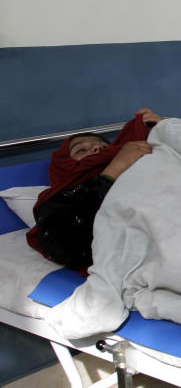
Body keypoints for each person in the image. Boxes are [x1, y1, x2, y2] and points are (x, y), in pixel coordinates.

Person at [26, 108, 162, 271]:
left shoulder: (141, 172)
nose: (98, 150)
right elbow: (69, 245)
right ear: (62, 166)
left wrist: (165, 134)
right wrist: (115, 169)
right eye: (81, 150)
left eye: (105, 148)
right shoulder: (55, 200)